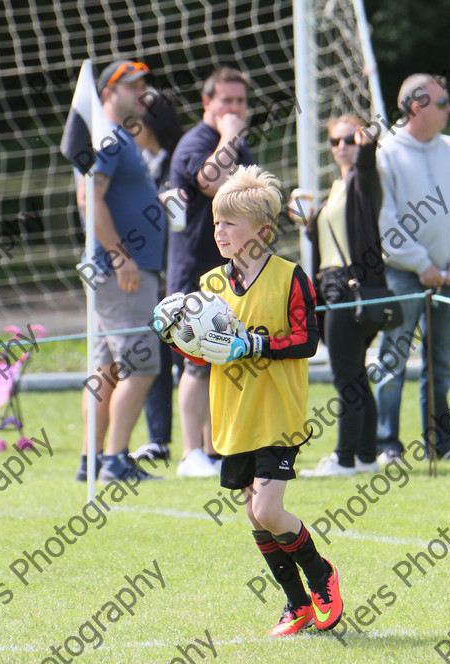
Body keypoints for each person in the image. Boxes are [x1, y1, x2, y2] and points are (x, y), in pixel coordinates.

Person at [159, 165, 343, 636]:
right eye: (217, 223)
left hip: (278, 412)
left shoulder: (290, 277)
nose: (219, 231)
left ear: (262, 231)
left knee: (267, 509)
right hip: (233, 415)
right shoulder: (210, 286)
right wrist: (175, 336)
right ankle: (296, 604)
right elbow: (202, 354)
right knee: (252, 512)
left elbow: (307, 341)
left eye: (230, 224)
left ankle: (322, 575)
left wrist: (256, 345)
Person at [375, 73, 450, 464]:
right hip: (403, 274)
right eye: (442, 103)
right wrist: (421, 264)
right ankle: (386, 443)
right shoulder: (385, 153)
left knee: (441, 362)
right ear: (417, 107)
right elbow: (385, 221)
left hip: (449, 276)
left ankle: (442, 443)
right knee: (394, 358)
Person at [74, 59, 166, 483]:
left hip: (113, 268)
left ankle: (92, 461)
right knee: (141, 365)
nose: (140, 93)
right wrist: (121, 255)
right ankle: (114, 461)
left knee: (107, 369)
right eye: (131, 87)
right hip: (121, 270)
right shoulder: (111, 138)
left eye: (142, 85)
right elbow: (88, 197)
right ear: (108, 94)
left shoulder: (116, 139)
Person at [167, 66, 255, 477]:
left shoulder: (239, 145)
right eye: (226, 100)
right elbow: (211, 180)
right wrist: (231, 133)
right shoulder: (197, 142)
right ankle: (190, 454)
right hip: (193, 275)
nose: (234, 108)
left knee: (222, 358)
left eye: (240, 101)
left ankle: (215, 450)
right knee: (196, 363)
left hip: (230, 274)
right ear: (207, 102)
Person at [296, 114, 384, 477]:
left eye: (350, 139)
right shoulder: (335, 188)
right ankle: (365, 457)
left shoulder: (364, 181)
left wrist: (369, 142)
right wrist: (306, 222)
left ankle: (344, 458)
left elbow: (366, 163)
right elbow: (328, 245)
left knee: (345, 376)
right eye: (336, 141)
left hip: (351, 289)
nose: (343, 147)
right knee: (356, 375)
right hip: (333, 286)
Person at [130, 89, 184, 465]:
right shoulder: (138, 162)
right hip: (150, 274)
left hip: (181, 272)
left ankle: (208, 444)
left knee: (191, 360)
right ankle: (158, 440)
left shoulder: (177, 161)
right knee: (155, 357)